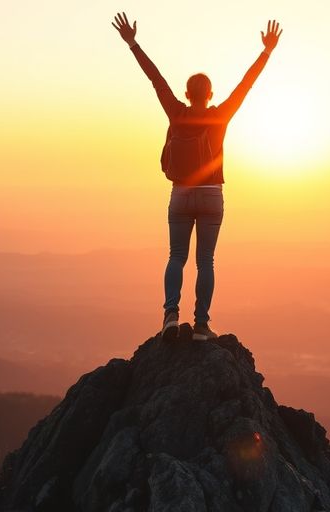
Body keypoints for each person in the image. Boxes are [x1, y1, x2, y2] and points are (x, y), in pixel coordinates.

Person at [111, 12, 282, 340]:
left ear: (188, 94)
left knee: (177, 256)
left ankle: (170, 317)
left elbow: (155, 79)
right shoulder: (220, 116)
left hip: (180, 193)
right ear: (210, 93)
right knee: (206, 260)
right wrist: (266, 52)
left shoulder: (177, 112)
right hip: (211, 195)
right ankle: (202, 325)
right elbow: (246, 85)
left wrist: (132, 42)